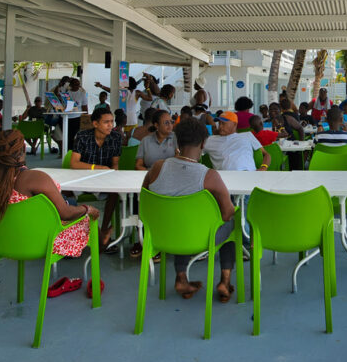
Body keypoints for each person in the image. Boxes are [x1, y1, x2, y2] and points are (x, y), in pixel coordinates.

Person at [143, 117, 236, 301]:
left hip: (162, 235)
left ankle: (181, 278)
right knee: (231, 222)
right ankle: (225, 281)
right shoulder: (209, 176)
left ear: (177, 141)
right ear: (203, 143)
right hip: (201, 239)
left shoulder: (157, 167)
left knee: (178, 220)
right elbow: (227, 213)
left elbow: (145, 199)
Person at [0, 129, 98, 264]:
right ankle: (103, 243)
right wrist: (87, 209)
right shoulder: (36, 178)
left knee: (71, 203)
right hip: (42, 244)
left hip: (1, 243)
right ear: (23, 150)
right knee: (88, 218)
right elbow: (66, 214)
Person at [69, 108, 121, 248]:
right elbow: (74, 163)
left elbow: (115, 165)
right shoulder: (82, 136)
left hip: (104, 181)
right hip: (81, 180)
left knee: (114, 194)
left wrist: (108, 175)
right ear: (95, 124)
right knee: (65, 193)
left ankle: (103, 229)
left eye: (112, 122)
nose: (110, 125)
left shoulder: (115, 137)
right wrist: (96, 168)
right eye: (106, 122)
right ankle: (77, 234)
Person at [64, 78, 89, 148]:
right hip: (67, 117)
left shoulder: (82, 94)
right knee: (68, 136)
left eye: (78, 84)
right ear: (71, 85)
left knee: (76, 136)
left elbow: (85, 107)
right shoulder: (66, 94)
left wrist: (86, 118)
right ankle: (68, 151)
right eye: (75, 84)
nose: (77, 86)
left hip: (77, 117)